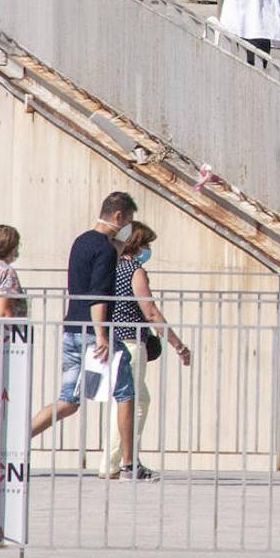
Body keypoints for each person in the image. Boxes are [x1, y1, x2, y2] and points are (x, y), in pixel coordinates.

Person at [30, 192, 154, 480]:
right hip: (94, 332)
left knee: (68, 402)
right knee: (126, 394)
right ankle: (127, 465)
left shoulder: (81, 241)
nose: (129, 226)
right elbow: (98, 294)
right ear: (118, 216)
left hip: (72, 329)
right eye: (129, 220)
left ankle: (14, 443)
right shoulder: (106, 249)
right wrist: (102, 335)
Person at [102, 222, 192, 479]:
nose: (148, 249)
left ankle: (113, 460)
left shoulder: (112, 268)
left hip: (114, 339)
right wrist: (177, 344)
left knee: (130, 400)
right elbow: (150, 311)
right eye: (146, 244)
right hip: (131, 341)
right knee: (133, 402)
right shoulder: (134, 270)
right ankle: (115, 461)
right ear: (136, 244)